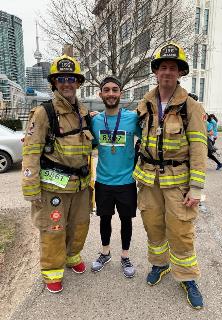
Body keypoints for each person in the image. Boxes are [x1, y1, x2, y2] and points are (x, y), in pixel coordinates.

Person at [133, 42, 207, 309]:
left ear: (180, 73)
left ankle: (188, 278)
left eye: (172, 68)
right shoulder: (144, 104)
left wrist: (196, 188)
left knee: (181, 231)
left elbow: (199, 148)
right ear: (155, 71)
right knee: (153, 227)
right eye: (162, 67)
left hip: (178, 182)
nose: (167, 72)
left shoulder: (191, 107)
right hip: (149, 180)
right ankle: (159, 265)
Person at [22, 54, 93, 293]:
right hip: (54, 186)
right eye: (61, 79)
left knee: (80, 223)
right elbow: (31, 151)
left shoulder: (83, 111)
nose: (67, 83)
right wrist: (31, 188)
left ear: (78, 82)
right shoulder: (43, 113)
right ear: (54, 83)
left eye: (71, 79)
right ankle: (52, 270)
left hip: (80, 185)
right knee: (54, 229)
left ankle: (72, 256)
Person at [91, 76, 141, 278]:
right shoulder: (94, 120)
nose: (111, 94)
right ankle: (105, 252)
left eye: (115, 90)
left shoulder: (132, 118)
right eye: (106, 90)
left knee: (126, 220)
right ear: (100, 94)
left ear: (121, 93)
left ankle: (125, 256)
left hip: (127, 182)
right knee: (104, 219)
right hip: (103, 181)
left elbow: (149, 136)